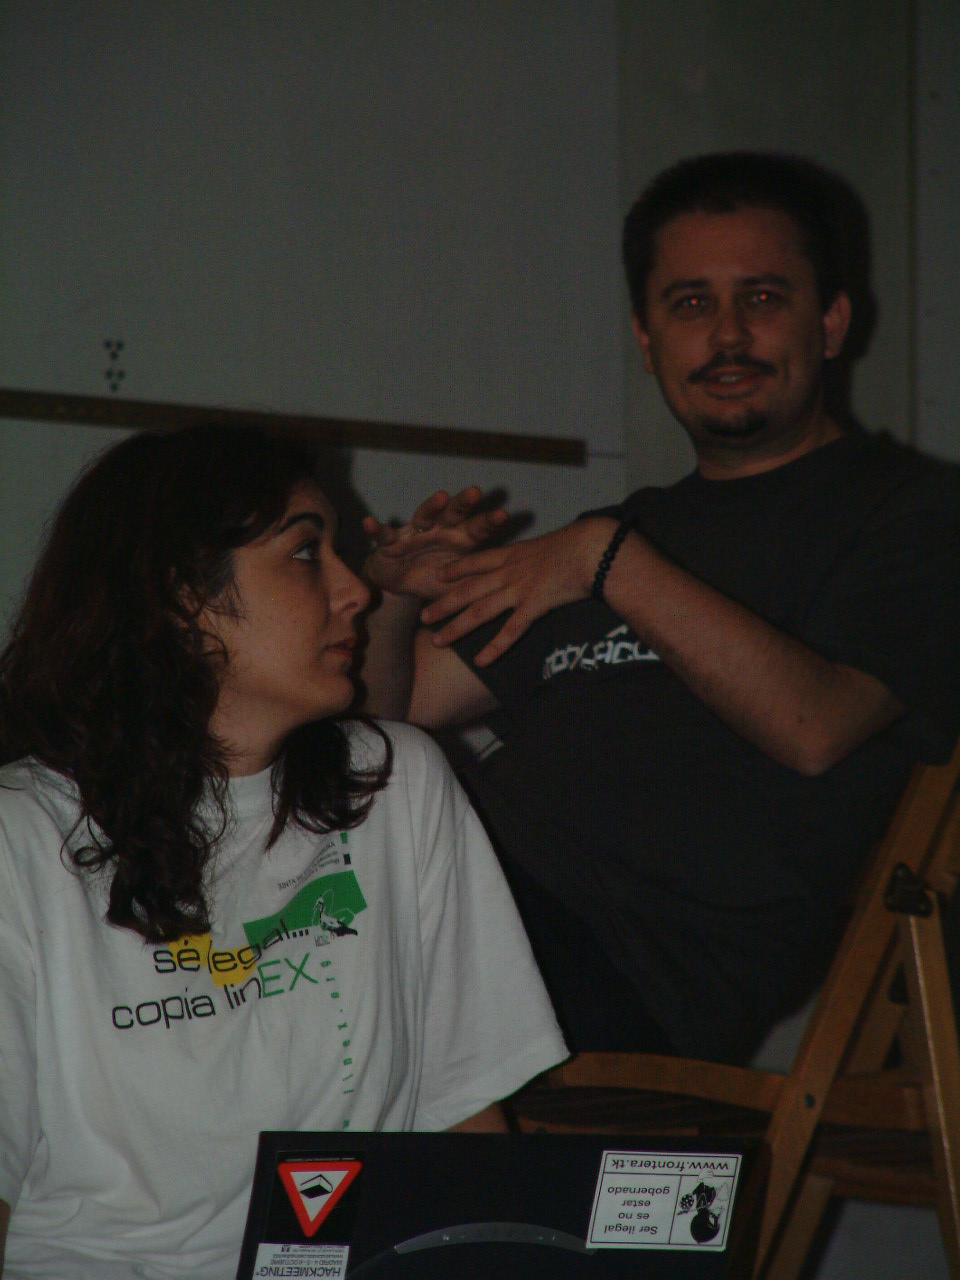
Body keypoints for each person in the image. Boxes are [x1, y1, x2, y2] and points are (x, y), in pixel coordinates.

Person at [359, 151, 960, 1064]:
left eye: (763, 298)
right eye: (689, 305)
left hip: (626, 972)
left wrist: (603, 561)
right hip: (463, 892)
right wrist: (395, 597)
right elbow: (390, 712)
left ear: (832, 323)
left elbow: (817, 726)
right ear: (647, 340)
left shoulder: (916, 514)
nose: (727, 335)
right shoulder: (620, 536)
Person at [0, 424, 566, 1280]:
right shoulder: (23, 832)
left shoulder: (398, 784)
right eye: (305, 553)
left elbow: (466, 1123)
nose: (357, 591)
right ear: (178, 596)